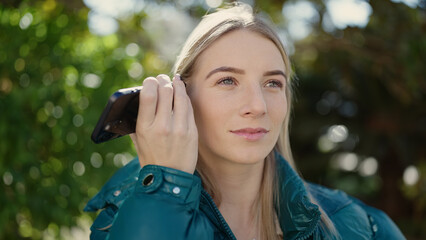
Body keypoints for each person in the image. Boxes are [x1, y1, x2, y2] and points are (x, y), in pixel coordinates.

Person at [85, 3, 405, 240]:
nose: (257, 106)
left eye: (272, 83)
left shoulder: (356, 225)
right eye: (227, 81)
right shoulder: (119, 221)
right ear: (181, 97)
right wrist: (163, 189)